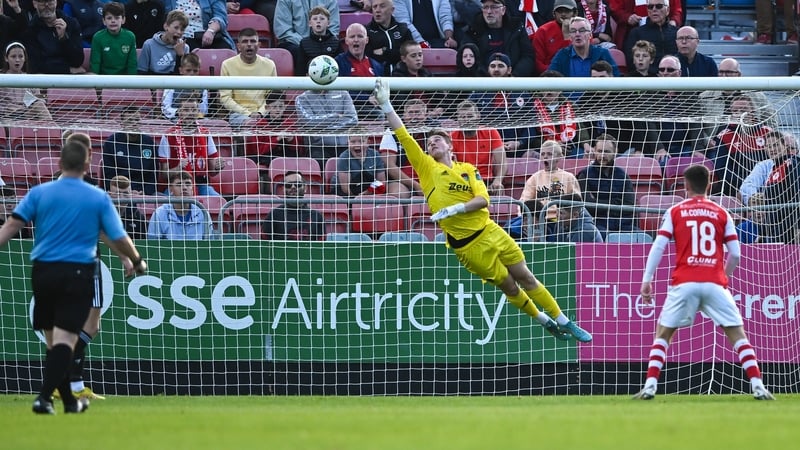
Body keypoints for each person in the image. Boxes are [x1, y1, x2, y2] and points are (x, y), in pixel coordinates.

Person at [374, 78, 592, 342]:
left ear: (449, 146)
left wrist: (454, 209)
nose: (432, 144)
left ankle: (565, 320)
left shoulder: (467, 169)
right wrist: (386, 104)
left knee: (526, 276)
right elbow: (404, 136)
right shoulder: (426, 168)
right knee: (509, 285)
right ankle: (544, 321)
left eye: (437, 140)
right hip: (468, 246)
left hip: (490, 230)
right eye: (429, 142)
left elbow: (483, 201)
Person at [0, 140, 146, 414]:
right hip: (77, 271)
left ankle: (68, 401)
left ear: (58, 163)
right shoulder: (96, 196)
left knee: (54, 342)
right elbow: (118, 235)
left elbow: (11, 224)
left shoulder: (39, 192)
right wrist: (135, 260)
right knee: (66, 340)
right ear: (88, 164)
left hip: (42, 270)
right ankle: (43, 398)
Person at [633, 164, 774, 401]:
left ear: (686, 186)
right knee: (737, 335)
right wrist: (723, 276)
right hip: (714, 282)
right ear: (710, 185)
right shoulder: (722, 213)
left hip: (685, 281)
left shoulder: (676, 211)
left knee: (664, 333)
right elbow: (736, 253)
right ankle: (758, 386)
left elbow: (659, 246)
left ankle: (650, 386)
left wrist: (647, 280)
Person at [157, 92, 225, 196]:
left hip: (200, 185)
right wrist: (178, 168)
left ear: (198, 111)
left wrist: (218, 167)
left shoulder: (205, 133)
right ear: (179, 112)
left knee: (218, 201)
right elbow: (164, 174)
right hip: (177, 185)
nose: (190, 113)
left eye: (193, 110)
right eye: (186, 110)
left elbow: (212, 172)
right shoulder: (168, 135)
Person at [739, 130, 800, 244]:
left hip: (789, 228)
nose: (772, 149)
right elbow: (771, 204)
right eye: (768, 146)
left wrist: (798, 228)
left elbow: (796, 196)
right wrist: (763, 234)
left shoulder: (792, 164)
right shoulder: (774, 168)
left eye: (776, 145)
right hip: (774, 228)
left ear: (784, 145)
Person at [576, 133, 637, 234]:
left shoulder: (623, 175)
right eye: (599, 151)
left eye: (607, 151)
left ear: (615, 152)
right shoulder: (585, 174)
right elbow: (587, 206)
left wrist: (597, 202)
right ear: (594, 150)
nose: (602, 155)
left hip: (623, 225)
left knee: (643, 237)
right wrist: (616, 202)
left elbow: (629, 206)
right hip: (596, 225)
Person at [519, 140, 581, 235]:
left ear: (558, 158)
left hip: (559, 221)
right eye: (543, 154)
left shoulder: (569, 177)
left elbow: (576, 203)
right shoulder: (534, 178)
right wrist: (525, 218)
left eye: (549, 154)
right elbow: (524, 202)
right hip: (538, 220)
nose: (545, 157)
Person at [219, 27, 277, 128]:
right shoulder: (227, 65)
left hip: (265, 114)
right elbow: (225, 98)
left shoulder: (270, 65)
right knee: (251, 125)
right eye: (245, 41)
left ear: (259, 45)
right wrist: (248, 114)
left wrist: (260, 113)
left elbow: (272, 97)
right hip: (238, 114)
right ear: (239, 46)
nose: (249, 44)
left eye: (253, 41)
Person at [463, 0, 535, 77]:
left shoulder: (516, 27)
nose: (489, 11)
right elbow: (468, 59)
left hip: (514, 81)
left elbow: (527, 56)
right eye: (485, 7)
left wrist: (514, 76)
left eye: (494, 7)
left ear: (503, 10)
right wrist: (487, 76)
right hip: (483, 82)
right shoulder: (473, 30)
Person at [450, 100, 507, 195]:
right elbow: (453, 167)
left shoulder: (490, 132)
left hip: (486, 180)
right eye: (462, 117)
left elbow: (502, 163)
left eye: (470, 116)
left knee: (499, 189)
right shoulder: (453, 137)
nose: (466, 120)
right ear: (458, 119)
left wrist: (497, 181)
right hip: (464, 180)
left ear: (478, 116)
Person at [14, 0, 85, 74]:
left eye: (50, 1)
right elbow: (35, 65)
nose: (47, 5)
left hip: (72, 78)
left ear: (56, 2)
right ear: (35, 3)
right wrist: (67, 69)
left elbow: (78, 61)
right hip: (44, 79)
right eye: (42, 2)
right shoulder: (31, 30)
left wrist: (64, 38)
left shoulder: (71, 23)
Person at [295, 88, 359, 168]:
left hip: (344, 145)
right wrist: (336, 116)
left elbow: (353, 120)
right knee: (318, 162)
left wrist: (322, 125)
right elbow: (309, 123)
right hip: (318, 147)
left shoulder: (343, 93)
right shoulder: (302, 98)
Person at [103, 105, 159, 195]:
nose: (134, 123)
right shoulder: (111, 142)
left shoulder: (149, 142)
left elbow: (154, 175)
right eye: (129, 121)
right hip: (120, 192)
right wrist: (125, 191)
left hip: (144, 192)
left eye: (137, 120)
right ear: (122, 123)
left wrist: (145, 192)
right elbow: (109, 175)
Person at [274, 0, 339, 75]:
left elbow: (333, 28)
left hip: (324, 40)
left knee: (334, 49)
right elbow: (283, 29)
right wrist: (307, 43)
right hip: (294, 42)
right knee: (300, 51)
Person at [147, 170, 213, 239]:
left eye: (188, 184)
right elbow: (153, 245)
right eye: (179, 184)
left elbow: (210, 245)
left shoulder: (203, 213)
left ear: (193, 189)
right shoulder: (159, 214)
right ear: (170, 189)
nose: (184, 188)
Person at [548, 16, 620, 77]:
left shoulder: (603, 53)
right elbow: (549, 80)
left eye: (582, 30)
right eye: (573, 31)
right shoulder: (562, 55)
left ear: (590, 35)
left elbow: (616, 78)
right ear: (570, 36)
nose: (577, 34)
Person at [263, 171, 325, 240]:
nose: (293, 187)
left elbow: (322, 246)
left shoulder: (317, 217)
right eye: (288, 185)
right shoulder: (273, 216)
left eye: (297, 184)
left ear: (305, 188)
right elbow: (264, 244)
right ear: (283, 189)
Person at [0, 41, 53, 122]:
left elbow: (38, 99)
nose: (17, 60)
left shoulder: (29, 79)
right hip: (7, 117)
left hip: (27, 114)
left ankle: (56, 132)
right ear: (6, 58)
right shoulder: (2, 78)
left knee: (39, 105)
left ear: (24, 59)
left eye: (20, 56)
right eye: (13, 56)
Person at [623, 0, 677, 75]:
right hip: (646, 80)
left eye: (659, 6)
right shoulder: (636, 33)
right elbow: (632, 62)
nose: (654, 9)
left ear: (667, 10)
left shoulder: (677, 33)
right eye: (650, 7)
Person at [163, 0, 235, 50]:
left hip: (206, 36)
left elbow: (221, 17)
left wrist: (211, 31)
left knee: (224, 50)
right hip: (179, 38)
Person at [365, 0, 412, 76]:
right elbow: (369, 57)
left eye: (382, 6)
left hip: (403, 79)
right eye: (374, 7)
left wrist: (385, 51)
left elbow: (409, 55)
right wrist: (397, 53)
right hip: (377, 79)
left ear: (392, 10)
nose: (377, 10)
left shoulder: (403, 30)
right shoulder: (366, 31)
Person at [90, 2, 138, 75]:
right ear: (104, 21)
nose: (113, 21)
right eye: (109, 18)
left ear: (123, 20)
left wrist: (132, 83)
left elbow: (132, 63)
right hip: (103, 79)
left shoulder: (130, 36)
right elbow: (95, 63)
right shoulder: (98, 37)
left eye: (117, 18)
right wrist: (95, 83)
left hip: (124, 80)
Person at [137, 10, 190, 75]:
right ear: (166, 26)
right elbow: (142, 72)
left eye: (182, 29)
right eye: (176, 28)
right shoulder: (149, 45)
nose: (179, 32)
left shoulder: (184, 48)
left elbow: (184, 77)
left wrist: (180, 56)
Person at [532, 0, 577, 75]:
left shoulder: (583, 29)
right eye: (559, 11)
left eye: (567, 11)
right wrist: (554, 73)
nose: (563, 14)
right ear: (554, 13)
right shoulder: (543, 31)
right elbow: (538, 62)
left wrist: (567, 36)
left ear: (575, 13)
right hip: (549, 76)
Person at [161, 53, 209, 122]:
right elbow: (165, 108)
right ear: (181, 70)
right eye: (188, 70)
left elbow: (204, 111)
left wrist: (199, 98)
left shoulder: (203, 88)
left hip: (196, 120)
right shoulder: (171, 85)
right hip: (174, 119)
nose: (192, 74)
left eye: (195, 71)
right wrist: (181, 112)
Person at [392, 0, 458, 49]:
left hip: (438, 40)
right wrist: (422, 43)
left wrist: (449, 38)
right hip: (413, 43)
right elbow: (404, 22)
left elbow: (445, 16)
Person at [297, 6, 341, 76]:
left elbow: (340, 66)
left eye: (322, 19)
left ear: (328, 23)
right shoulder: (304, 43)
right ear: (310, 23)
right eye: (315, 19)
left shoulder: (336, 42)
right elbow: (300, 68)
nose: (318, 21)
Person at [108, 175, 148, 240]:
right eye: (117, 193)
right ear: (109, 194)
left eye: (125, 194)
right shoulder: (101, 215)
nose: (121, 197)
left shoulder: (139, 218)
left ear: (131, 195)